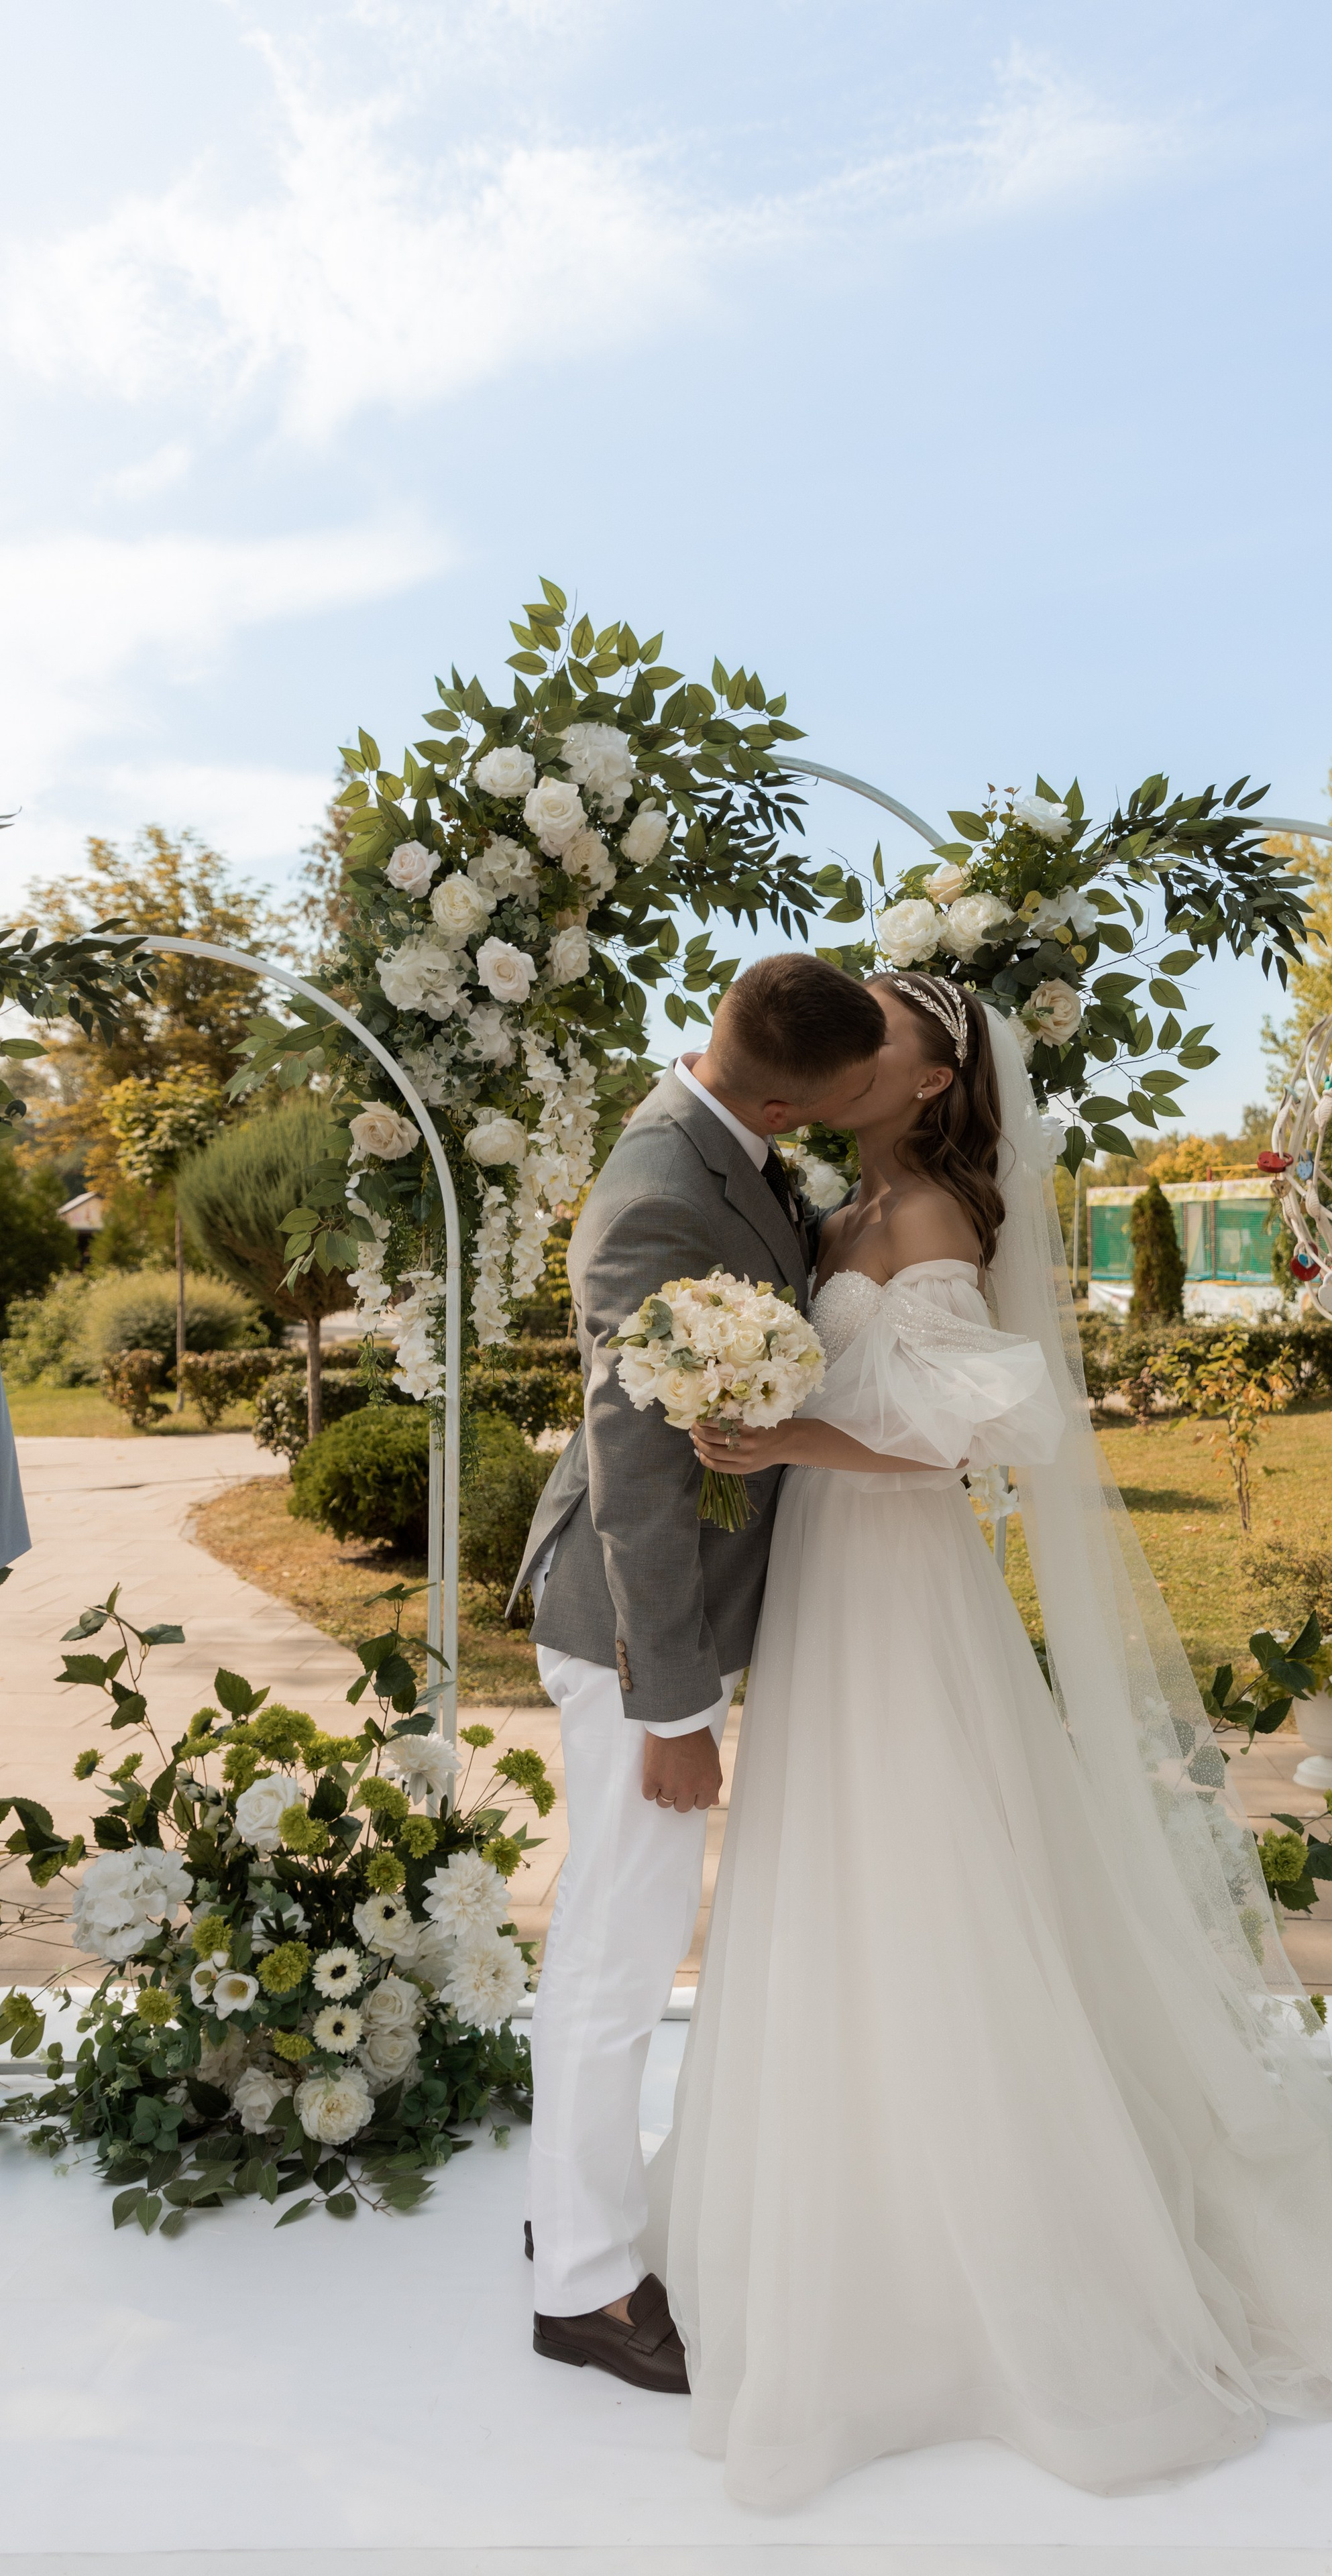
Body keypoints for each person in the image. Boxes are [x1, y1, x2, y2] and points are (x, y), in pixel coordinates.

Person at [644, 970, 1332, 2506]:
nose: (854, 1049)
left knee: (932, 1872)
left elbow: (988, 1431)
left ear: (935, 1078)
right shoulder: (823, 1212)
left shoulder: (935, 1221)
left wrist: (791, 1432)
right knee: (836, 1874)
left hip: (897, 1587)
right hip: (825, 1581)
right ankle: (841, 2201)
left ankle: (983, 2253)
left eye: (881, 1031)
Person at [508, 952, 887, 2390]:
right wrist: (671, 1706)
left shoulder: (733, 1143)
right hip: (628, 1634)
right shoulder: (659, 1192)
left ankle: (571, 2207)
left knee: (617, 1936)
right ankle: (586, 2289)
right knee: (616, 1948)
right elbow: (636, 1477)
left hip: (672, 1622)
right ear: (785, 1090)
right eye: (844, 1097)